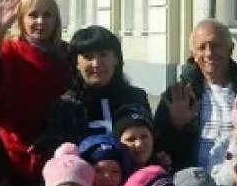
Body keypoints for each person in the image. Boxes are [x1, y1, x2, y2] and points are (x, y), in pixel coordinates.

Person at [0, 0, 73, 186]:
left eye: (47, 15)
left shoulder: (65, 54)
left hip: (52, 155)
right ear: (21, 19)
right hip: (9, 154)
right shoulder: (10, 50)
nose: (40, 21)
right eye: (33, 15)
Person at [154, 20, 237, 171]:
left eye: (216, 45)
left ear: (230, 48)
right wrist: (176, 126)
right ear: (193, 53)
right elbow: (158, 147)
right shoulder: (177, 94)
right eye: (201, 47)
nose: (209, 53)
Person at [37, 26, 152, 155]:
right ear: (76, 63)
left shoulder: (135, 98)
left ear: (116, 59)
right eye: (88, 57)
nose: (96, 63)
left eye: (103, 55)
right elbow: (59, 158)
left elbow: (151, 146)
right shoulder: (64, 106)